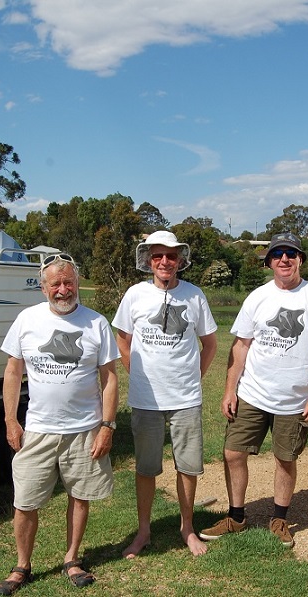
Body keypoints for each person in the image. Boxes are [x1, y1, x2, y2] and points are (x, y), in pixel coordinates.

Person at [198, 232, 308, 548]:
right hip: (253, 393)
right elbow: (241, 345)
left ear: (300, 259)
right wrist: (229, 390)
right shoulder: (257, 297)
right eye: (277, 255)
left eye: (290, 253)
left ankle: (279, 519)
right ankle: (236, 517)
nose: (284, 259)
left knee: (285, 458)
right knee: (233, 452)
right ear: (269, 262)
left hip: (294, 399)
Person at [0, 253, 119, 594]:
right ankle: (22, 565)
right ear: (43, 287)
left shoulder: (96, 323)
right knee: (25, 500)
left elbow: (109, 378)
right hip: (38, 428)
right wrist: (10, 420)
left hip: (85, 428)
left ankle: (72, 559)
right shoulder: (26, 320)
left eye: (69, 283)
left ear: (77, 284)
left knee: (80, 497)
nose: (63, 290)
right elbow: (12, 371)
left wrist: (107, 426)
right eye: (56, 284)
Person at [112, 230, 218, 558]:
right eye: (157, 256)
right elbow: (123, 340)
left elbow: (210, 344)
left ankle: (187, 527)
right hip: (146, 400)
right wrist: (139, 376)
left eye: (171, 256)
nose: (164, 261)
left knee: (188, 466)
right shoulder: (134, 295)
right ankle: (144, 532)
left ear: (180, 260)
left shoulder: (194, 295)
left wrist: (192, 378)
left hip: (186, 399)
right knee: (146, 468)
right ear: (148, 260)